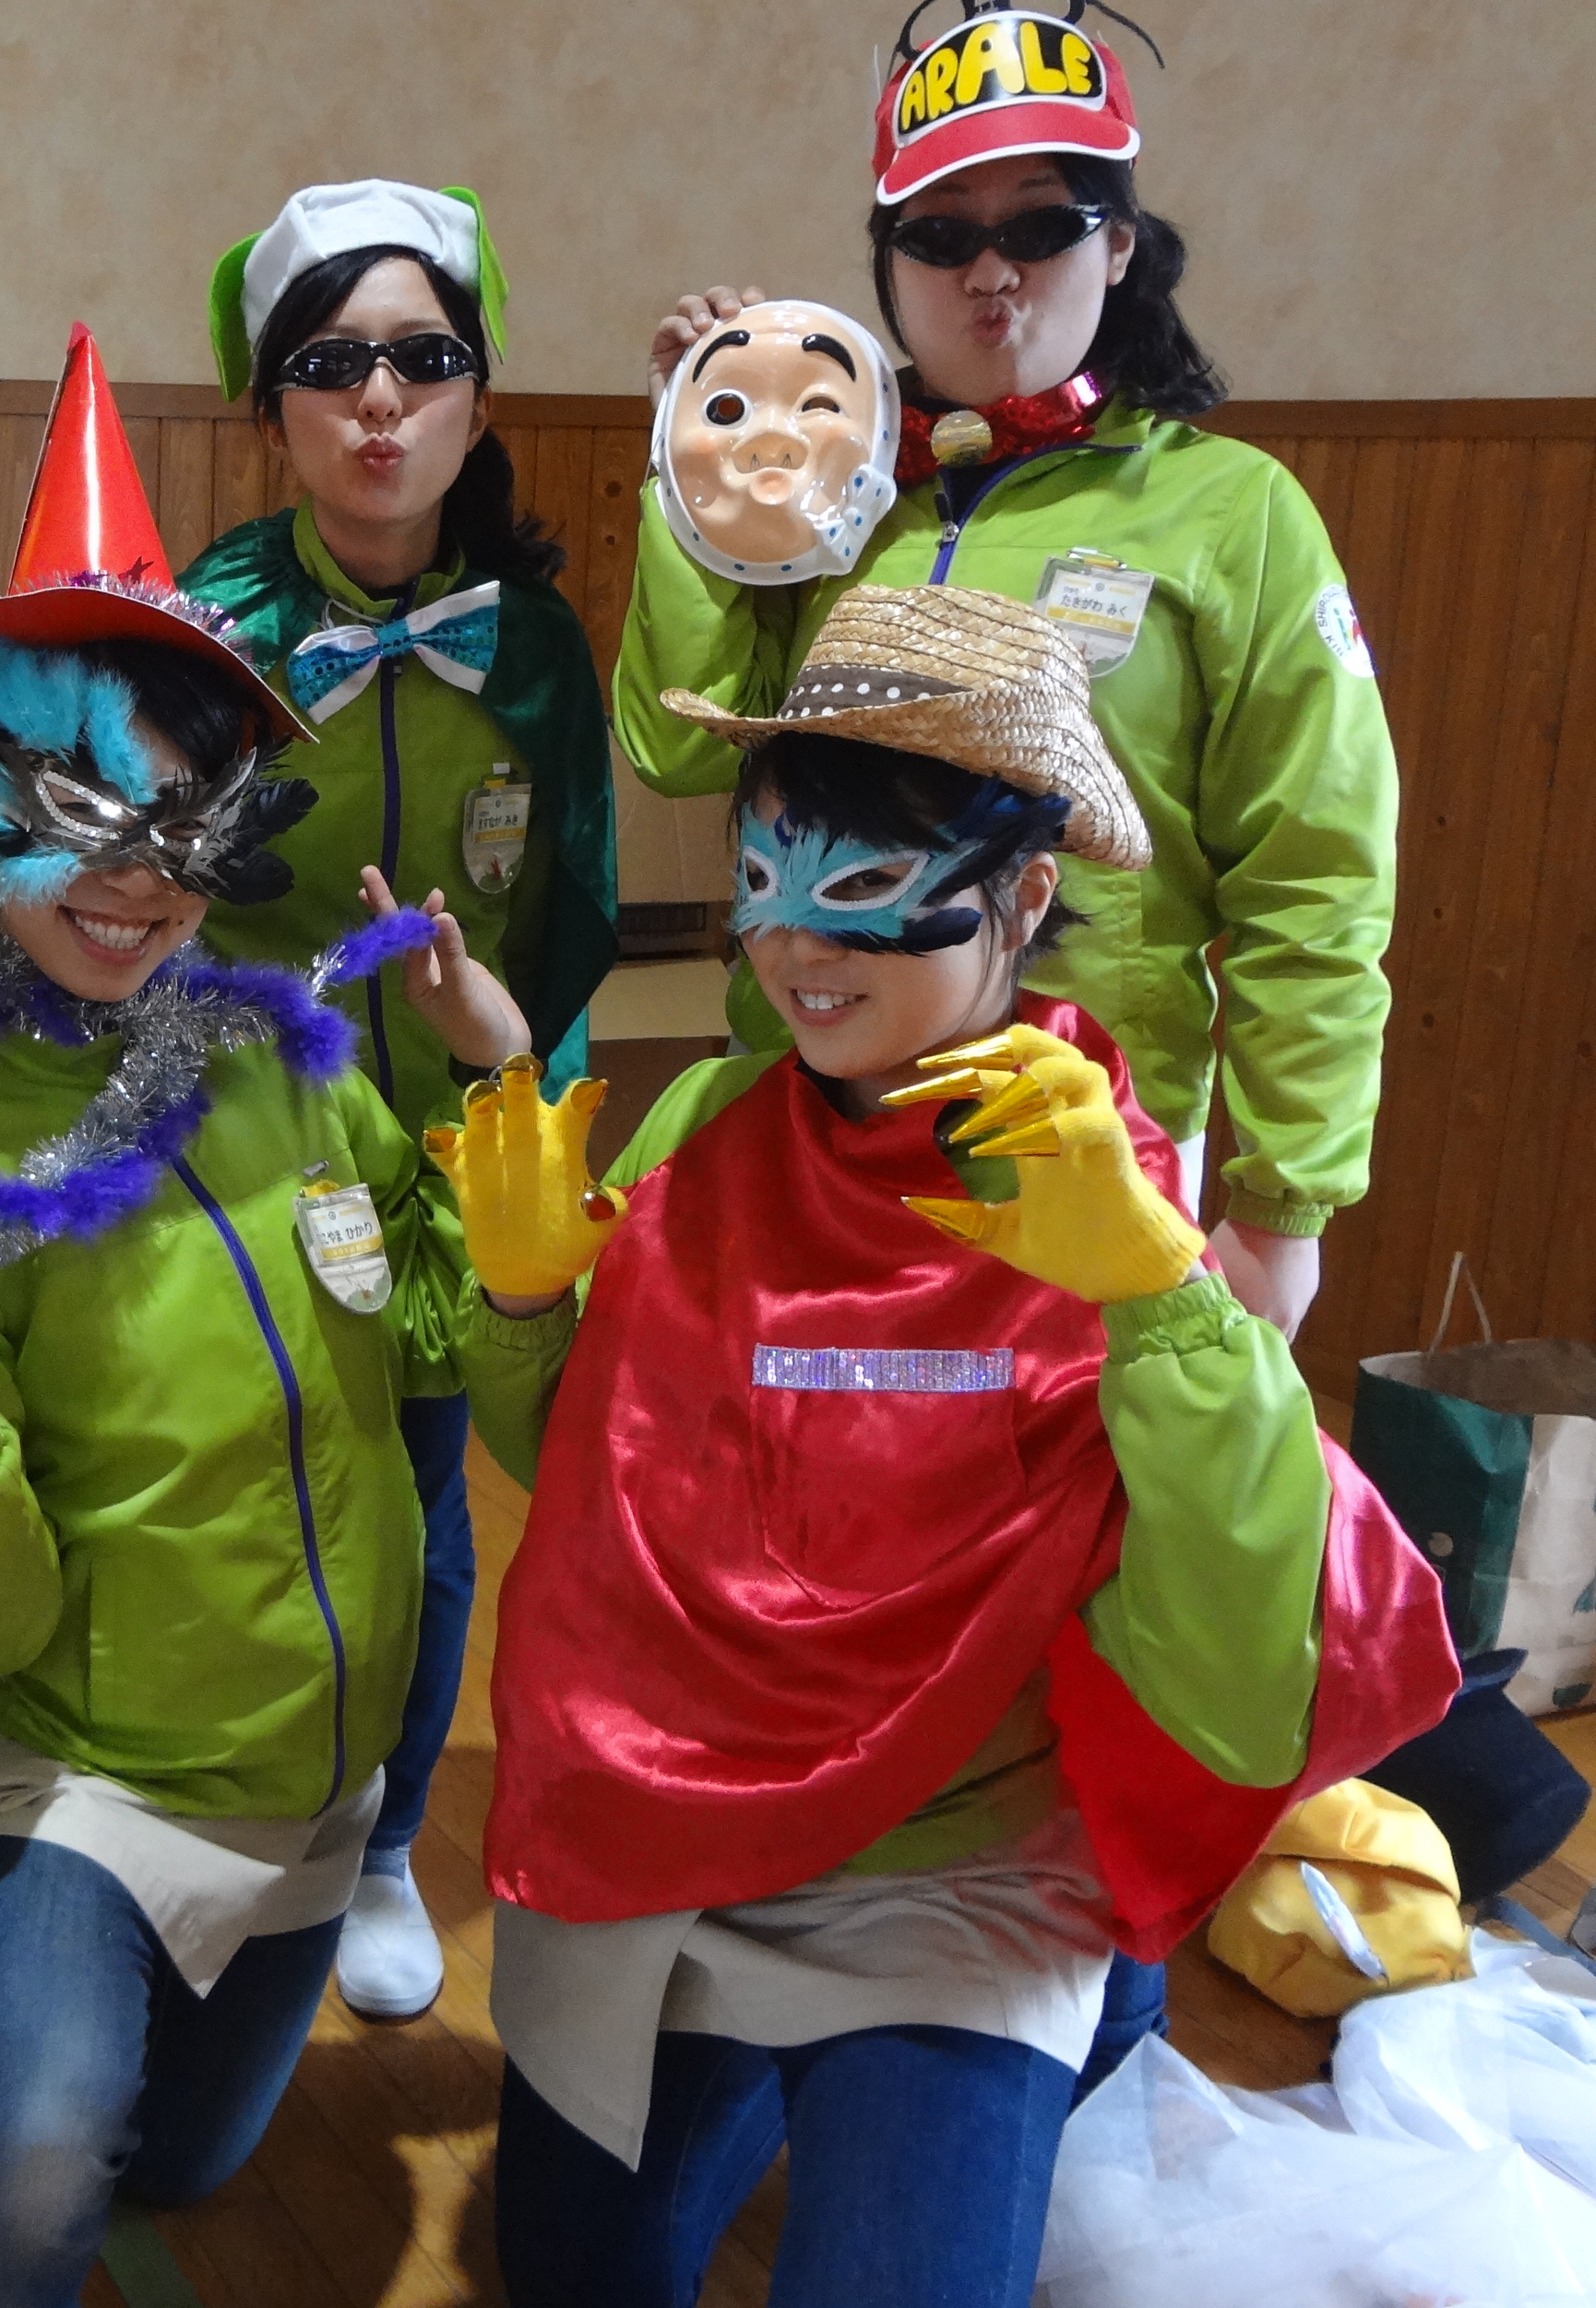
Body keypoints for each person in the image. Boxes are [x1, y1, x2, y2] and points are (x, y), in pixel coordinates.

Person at [445, 583, 1452, 2306]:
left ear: (1026, 897)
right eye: (768, 873)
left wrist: (1165, 1305)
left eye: (869, 888)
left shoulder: (1091, 1187)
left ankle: (1084, 2018)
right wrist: (526, 1307)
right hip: (671, 1836)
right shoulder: (710, 1125)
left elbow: (1236, 1668)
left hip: (955, 1864)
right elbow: (610, 1500)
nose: (794, 947)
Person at [0, 336, 534, 2308]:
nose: (138, 884)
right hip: (69, 1769)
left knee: (201, 2161)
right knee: (35, 2151)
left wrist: (505, 1115)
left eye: (185, 827)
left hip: (307, 1780)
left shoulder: (292, 1058)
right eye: (80, 817)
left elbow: (454, 1360)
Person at [619, 0, 1396, 1349]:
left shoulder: (1236, 515)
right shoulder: (825, 495)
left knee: (1072, 1487)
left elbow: (1316, 880)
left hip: (1086, 1147)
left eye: (1042, 225)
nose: (990, 272)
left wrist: (1284, 1206)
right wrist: (702, 461)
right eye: (941, 233)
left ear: (1121, 244)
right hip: (811, 1120)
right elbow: (685, 749)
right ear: (888, 263)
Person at [184, 180, 616, 2021]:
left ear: (479, 395)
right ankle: (221, 1799)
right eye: (331, 366)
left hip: (452, 1138)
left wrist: (519, 1106)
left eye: (424, 360)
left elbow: (577, 907)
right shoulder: (206, 625)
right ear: (270, 404)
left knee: (432, 1502)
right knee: (245, 1475)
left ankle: (377, 1841)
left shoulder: (534, 647)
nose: (380, 403)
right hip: (251, 1137)